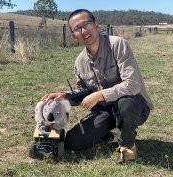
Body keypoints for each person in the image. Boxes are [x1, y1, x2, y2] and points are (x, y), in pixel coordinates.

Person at [41, 9, 153, 164]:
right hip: (106, 111)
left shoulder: (117, 44)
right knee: (73, 142)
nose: (83, 30)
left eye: (86, 24)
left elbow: (133, 85)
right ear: (74, 35)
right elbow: (83, 92)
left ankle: (127, 144)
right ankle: (108, 132)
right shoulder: (79, 62)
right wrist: (65, 96)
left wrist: (99, 95)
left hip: (135, 106)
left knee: (125, 103)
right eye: (77, 29)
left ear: (96, 24)